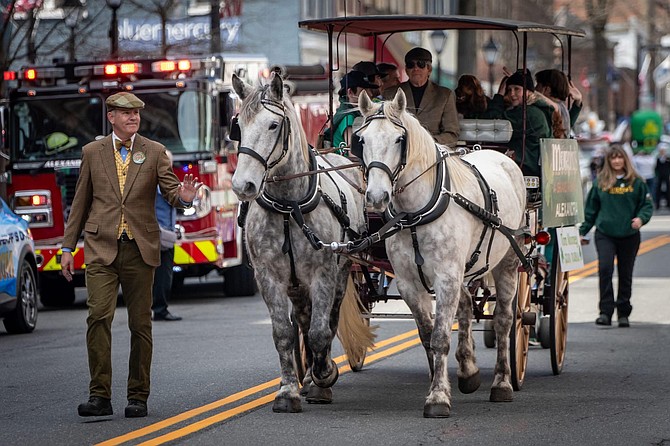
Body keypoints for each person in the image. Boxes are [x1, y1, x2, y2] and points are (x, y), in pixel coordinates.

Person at [61, 92, 202, 418]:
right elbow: (80, 203)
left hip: (140, 249)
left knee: (141, 325)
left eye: (136, 113)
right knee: (98, 318)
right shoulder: (92, 153)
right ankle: (100, 396)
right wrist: (68, 247)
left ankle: (138, 396)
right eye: (126, 114)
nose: (133, 118)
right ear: (111, 117)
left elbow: (170, 191)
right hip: (101, 247)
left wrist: (185, 197)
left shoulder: (154, 152)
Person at [579, 145, 653, 327]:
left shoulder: (637, 182)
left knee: (625, 274)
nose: (617, 161)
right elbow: (591, 211)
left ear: (625, 160)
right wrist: (582, 232)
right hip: (605, 234)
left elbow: (647, 205)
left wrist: (641, 219)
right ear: (609, 161)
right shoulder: (600, 183)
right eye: (613, 158)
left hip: (629, 234)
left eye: (620, 157)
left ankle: (623, 312)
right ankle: (605, 311)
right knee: (605, 270)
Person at [382, 47, 460, 146]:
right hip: (399, 150)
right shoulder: (391, 94)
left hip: (432, 152)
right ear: (406, 70)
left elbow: (452, 134)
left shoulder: (444, 95)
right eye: (411, 65)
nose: (416, 68)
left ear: (429, 69)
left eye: (421, 64)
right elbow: (383, 127)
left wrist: (427, 142)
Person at [485, 68, 551, 177]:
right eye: (509, 89)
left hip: (523, 168)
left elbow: (492, 124)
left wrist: (500, 95)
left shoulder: (528, 113)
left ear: (528, 91)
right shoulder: (535, 110)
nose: (512, 94)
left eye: (517, 89)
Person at [152, 150, 181, 322]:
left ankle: (159, 308)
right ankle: (160, 309)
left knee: (162, 275)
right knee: (162, 275)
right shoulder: (158, 182)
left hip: (165, 233)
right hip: (159, 234)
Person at [331, 70, 378, 149]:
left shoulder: (355, 112)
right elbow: (352, 152)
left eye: (369, 90)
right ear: (350, 92)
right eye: (364, 91)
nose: (370, 94)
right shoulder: (348, 117)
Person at [654, 143, 670, 209]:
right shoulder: (657, 159)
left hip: (667, 175)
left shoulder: (668, 159)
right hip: (660, 176)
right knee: (658, 189)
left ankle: (669, 204)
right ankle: (657, 204)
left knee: (668, 189)